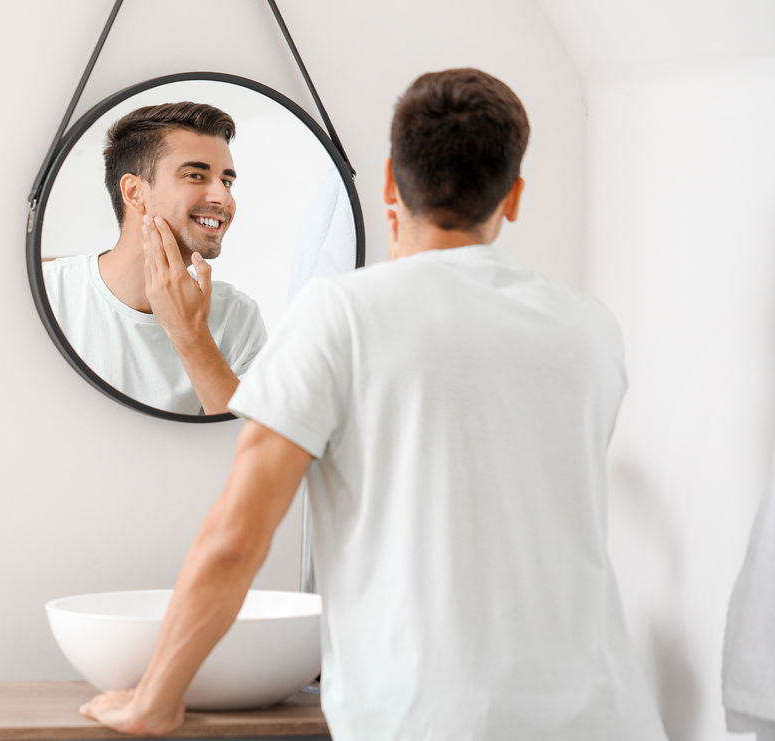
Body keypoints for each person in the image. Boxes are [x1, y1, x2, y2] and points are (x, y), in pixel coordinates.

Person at [79, 69, 668, 740]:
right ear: (514, 197)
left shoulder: (343, 313)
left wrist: (154, 698)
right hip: (611, 716)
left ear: (390, 183)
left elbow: (236, 536)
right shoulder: (588, 325)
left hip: (435, 720)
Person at [42, 102, 267, 415]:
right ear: (135, 192)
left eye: (227, 181)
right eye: (195, 175)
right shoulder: (49, 294)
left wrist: (191, 334)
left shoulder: (237, 317)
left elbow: (251, 447)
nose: (223, 197)